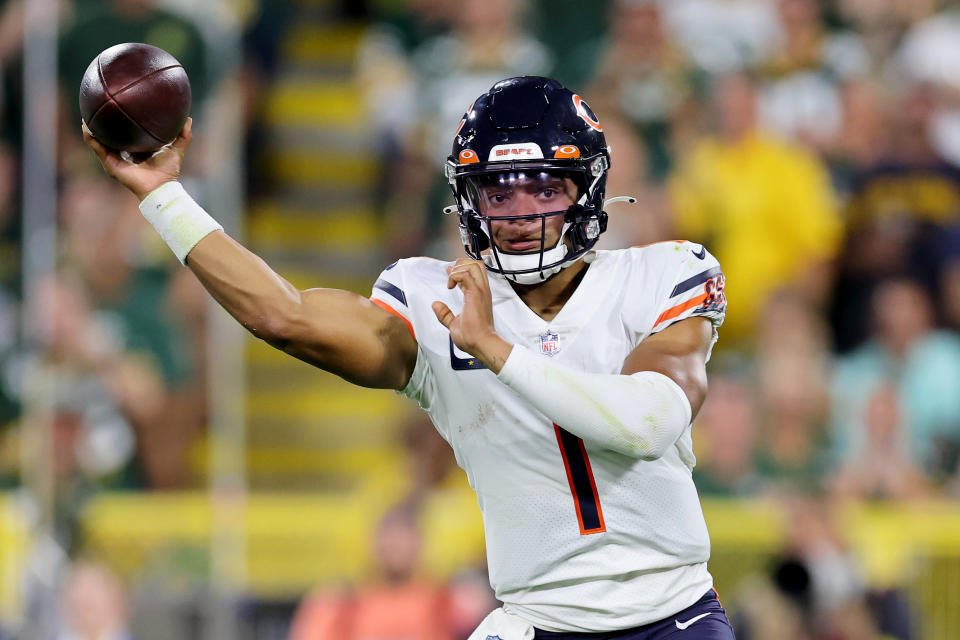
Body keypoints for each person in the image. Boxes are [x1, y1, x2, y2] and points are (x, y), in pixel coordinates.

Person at [83, 76, 735, 638]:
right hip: (538, 616)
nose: (517, 214)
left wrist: (497, 350)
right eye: (497, 192)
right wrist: (163, 195)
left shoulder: (664, 273)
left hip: (669, 617)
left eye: (540, 187)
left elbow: (650, 423)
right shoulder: (436, 298)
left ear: (585, 188)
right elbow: (283, 315)